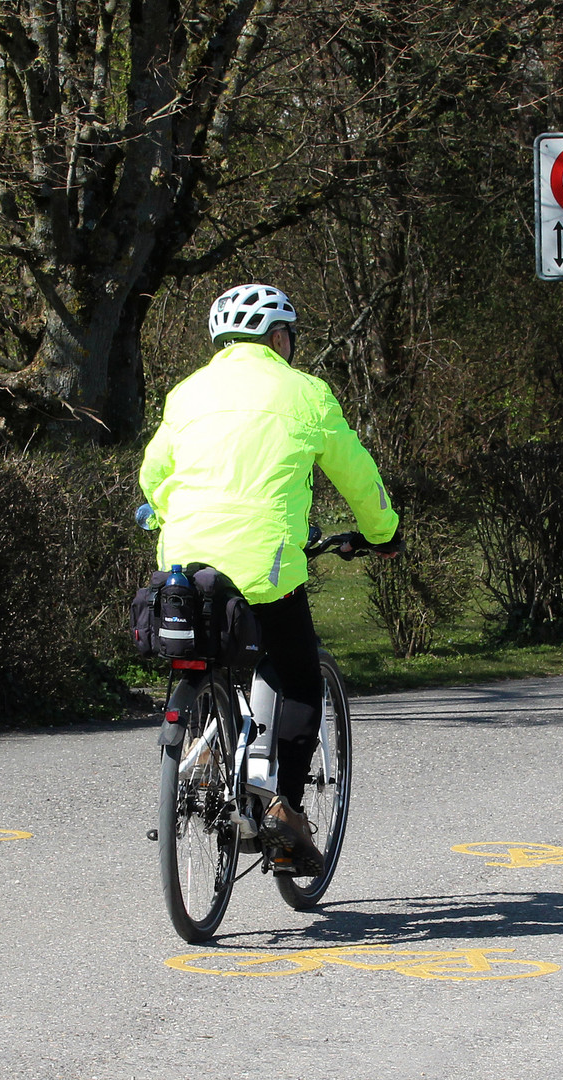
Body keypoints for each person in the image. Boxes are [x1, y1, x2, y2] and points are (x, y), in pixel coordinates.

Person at [138, 283, 401, 874]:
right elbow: (357, 473)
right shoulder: (307, 393)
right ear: (279, 338)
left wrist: (164, 511)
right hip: (264, 566)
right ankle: (284, 809)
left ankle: (205, 749)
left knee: (208, 651)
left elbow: (155, 475)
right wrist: (383, 533)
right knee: (300, 677)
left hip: (183, 565)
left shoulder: (186, 393)